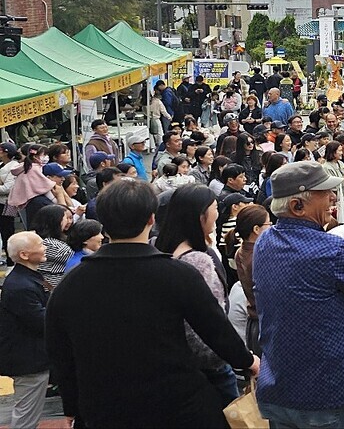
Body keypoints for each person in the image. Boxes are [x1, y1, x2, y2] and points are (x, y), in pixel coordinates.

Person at [46, 178, 257, 428]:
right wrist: (248, 361)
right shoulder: (178, 274)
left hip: (105, 406)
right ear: (151, 219)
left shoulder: (71, 284)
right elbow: (216, 331)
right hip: (177, 403)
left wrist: (71, 405)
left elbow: (61, 352)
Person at [254, 161, 344, 428]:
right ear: (297, 206)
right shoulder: (332, 249)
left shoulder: (264, 242)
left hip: (279, 385)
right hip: (332, 392)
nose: (332, 198)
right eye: (324, 194)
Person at [155, 184, 241, 406]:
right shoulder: (197, 260)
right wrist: (237, 357)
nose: (217, 213)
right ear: (200, 215)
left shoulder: (159, 248)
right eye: (214, 208)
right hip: (210, 365)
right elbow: (209, 319)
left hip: (173, 362)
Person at [0, 232, 52, 429]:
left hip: (30, 356)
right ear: (24, 254)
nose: (45, 247)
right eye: (39, 244)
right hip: (28, 360)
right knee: (26, 417)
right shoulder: (21, 286)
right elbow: (41, 320)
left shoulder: (26, 278)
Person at [226, 203, 270, 352]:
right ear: (256, 230)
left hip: (253, 323)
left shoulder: (240, 251)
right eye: (268, 224)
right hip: (265, 324)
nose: (271, 227)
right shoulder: (260, 256)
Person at [30, 204, 73, 289]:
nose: (68, 221)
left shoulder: (36, 237)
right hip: (55, 287)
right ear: (56, 220)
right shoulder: (54, 246)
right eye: (65, 218)